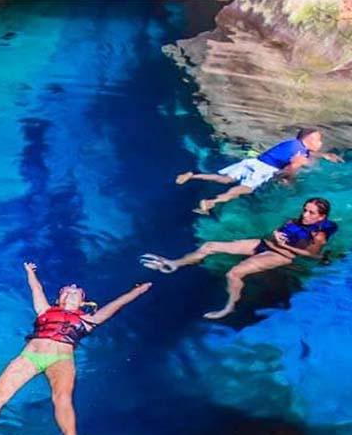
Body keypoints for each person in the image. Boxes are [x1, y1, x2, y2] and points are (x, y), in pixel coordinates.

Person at [0, 263, 152, 435]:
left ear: (83, 302)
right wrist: (30, 272)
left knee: (62, 399)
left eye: (75, 292)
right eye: (66, 291)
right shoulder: (45, 310)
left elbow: (116, 305)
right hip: (30, 356)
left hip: (61, 360)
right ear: (58, 299)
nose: (71, 291)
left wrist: (137, 291)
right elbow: (36, 290)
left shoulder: (89, 320)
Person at [140, 197, 337, 319]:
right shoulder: (295, 220)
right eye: (305, 209)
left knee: (234, 273)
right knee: (210, 246)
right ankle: (175, 263)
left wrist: (283, 245)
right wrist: (274, 235)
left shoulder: (318, 234)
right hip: (264, 243)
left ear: (321, 217)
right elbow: (276, 232)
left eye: (311, 212)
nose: (305, 214)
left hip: (280, 255)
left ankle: (229, 307)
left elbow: (311, 254)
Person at [176, 129, 343, 214]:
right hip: (265, 170)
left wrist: (324, 155)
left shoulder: (293, 143)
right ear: (310, 139)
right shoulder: (300, 154)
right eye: (320, 140)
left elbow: (305, 153)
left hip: (254, 162)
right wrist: (289, 180)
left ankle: (192, 175)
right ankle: (211, 203)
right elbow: (289, 169)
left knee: (224, 179)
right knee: (244, 189)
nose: (321, 143)